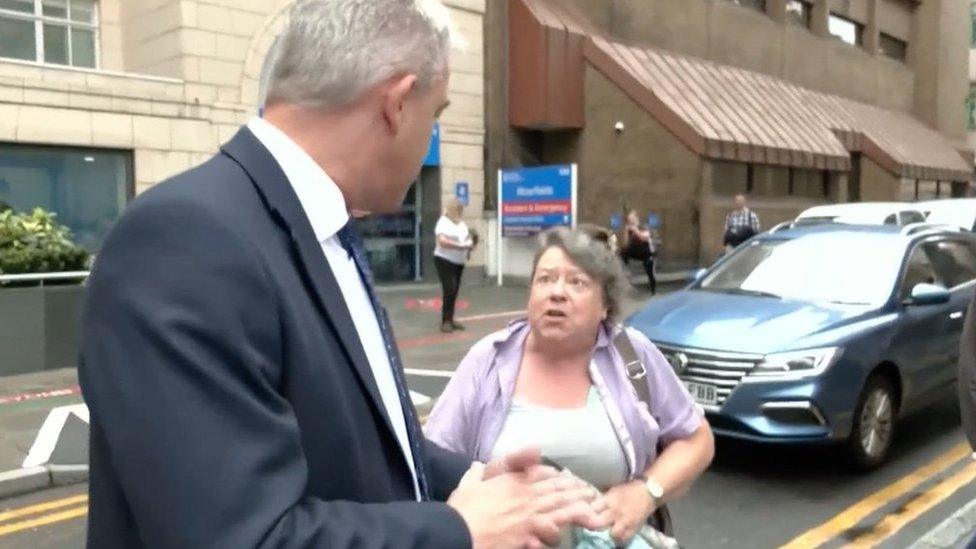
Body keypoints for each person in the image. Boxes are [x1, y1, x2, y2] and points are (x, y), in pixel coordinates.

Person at [78, 1, 606, 547]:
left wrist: (471, 482)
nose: (430, 132)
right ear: (397, 104)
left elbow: (353, 436)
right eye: (437, 113)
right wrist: (461, 529)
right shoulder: (187, 238)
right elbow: (244, 535)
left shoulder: (315, 228)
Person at [426, 227, 715, 547]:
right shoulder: (488, 360)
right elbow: (432, 463)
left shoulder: (632, 353)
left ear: (605, 305)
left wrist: (645, 493)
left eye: (577, 282)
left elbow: (696, 440)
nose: (557, 292)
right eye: (545, 279)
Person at [434, 198, 473, 333]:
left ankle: (450, 319)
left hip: (458, 262)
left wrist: (469, 244)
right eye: (457, 208)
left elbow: (467, 238)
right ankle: (445, 321)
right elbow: (442, 241)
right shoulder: (443, 222)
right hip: (444, 259)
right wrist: (459, 246)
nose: (459, 211)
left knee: (454, 290)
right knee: (449, 288)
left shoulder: (461, 224)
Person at [622, 211, 659, 294]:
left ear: (636, 219)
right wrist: (625, 232)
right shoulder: (629, 229)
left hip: (647, 252)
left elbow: (644, 238)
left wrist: (636, 230)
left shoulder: (643, 226)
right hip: (636, 251)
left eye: (632, 219)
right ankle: (626, 270)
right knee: (623, 252)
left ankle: (653, 290)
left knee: (649, 271)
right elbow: (625, 244)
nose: (630, 221)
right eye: (629, 220)